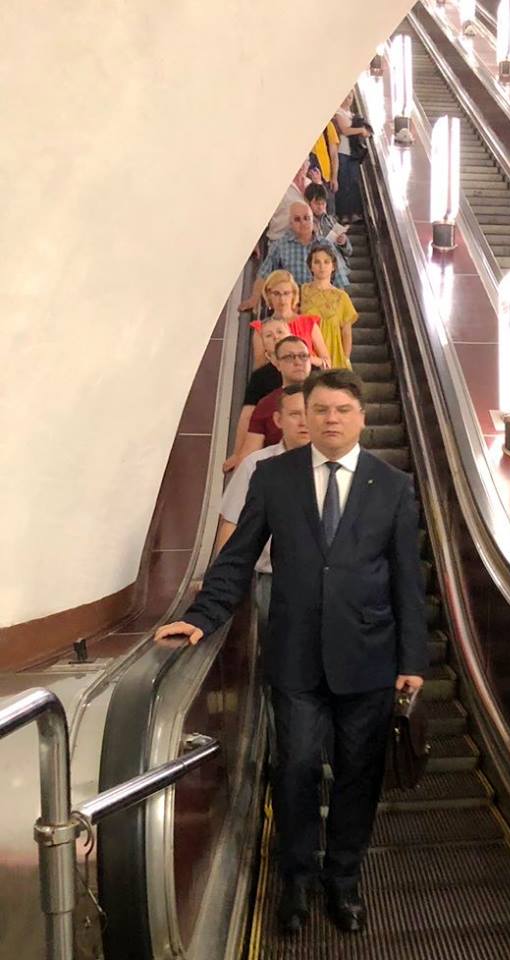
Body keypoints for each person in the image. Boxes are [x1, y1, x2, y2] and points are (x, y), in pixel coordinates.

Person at [155, 368, 428, 935]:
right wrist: (201, 618)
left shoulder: (393, 485)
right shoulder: (274, 476)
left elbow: (407, 576)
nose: (330, 420)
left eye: (342, 410)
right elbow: (238, 556)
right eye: (319, 410)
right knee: (297, 767)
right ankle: (297, 879)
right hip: (296, 655)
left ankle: (344, 879)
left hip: (369, 657)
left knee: (358, 773)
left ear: (361, 418)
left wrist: (412, 660)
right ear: (301, 417)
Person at [215, 385, 310, 626]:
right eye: (295, 414)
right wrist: (218, 582)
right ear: (278, 420)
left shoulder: (335, 466)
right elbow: (231, 523)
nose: (304, 422)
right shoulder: (256, 465)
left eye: (310, 412)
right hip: (272, 581)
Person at [239, 203, 349, 314]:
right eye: (297, 219)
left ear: (313, 220)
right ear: (290, 223)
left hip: (321, 309)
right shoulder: (280, 245)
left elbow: (338, 280)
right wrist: (254, 299)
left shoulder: (327, 245)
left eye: (306, 218)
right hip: (290, 310)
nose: (303, 223)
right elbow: (264, 274)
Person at [223, 318, 290, 473]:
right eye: (269, 335)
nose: (275, 337)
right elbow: (247, 416)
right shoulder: (260, 377)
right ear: (264, 346)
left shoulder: (313, 370)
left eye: (280, 332)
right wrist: (238, 453)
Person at [238, 335, 312, 458]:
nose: (298, 362)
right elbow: (250, 452)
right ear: (276, 363)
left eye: (303, 356)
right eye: (289, 357)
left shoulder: (328, 398)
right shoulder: (266, 404)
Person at [249, 272, 330, 370]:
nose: (282, 299)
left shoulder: (309, 323)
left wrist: (306, 357)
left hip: (309, 375)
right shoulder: (261, 328)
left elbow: (327, 362)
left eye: (286, 293)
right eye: (276, 293)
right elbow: (259, 366)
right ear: (268, 295)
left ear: (294, 294)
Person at [301, 245, 358, 370]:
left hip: (334, 355)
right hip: (308, 355)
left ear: (333, 266)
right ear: (310, 266)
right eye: (317, 262)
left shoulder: (341, 297)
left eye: (326, 262)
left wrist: (346, 358)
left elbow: (346, 332)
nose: (322, 266)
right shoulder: (302, 292)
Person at [333, 92, 371, 224]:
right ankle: (343, 214)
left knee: (353, 183)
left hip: (353, 153)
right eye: (346, 96)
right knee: (343, 183)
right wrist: (361, 130)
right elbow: (345, 130)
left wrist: (365, 131)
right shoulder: (338, 112)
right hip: (342, 152)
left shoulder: (353, 115)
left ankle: (354, 213)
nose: (348, 100)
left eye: (350, 97)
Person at [305, 183, 353, 260]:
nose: (320, 207)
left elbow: (349, 251)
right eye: (317, 204)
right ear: (308, 202)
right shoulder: (304, 223)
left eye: (323, 203)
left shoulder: (331, 221)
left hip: (338, 264)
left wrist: (344, 242)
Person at [267, 161, 309, 243]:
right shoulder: (277, 185)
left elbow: (320, 211)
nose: (301, 167)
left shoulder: (310, 183)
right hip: (279, 239)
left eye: (304, 163)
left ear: (308, 165)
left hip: (303, 240)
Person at [309, 122, 340, 214]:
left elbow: (334, 154)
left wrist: (334, 177)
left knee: (329, 210)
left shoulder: (327, 126)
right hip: (305, 178)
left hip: (325, 177)